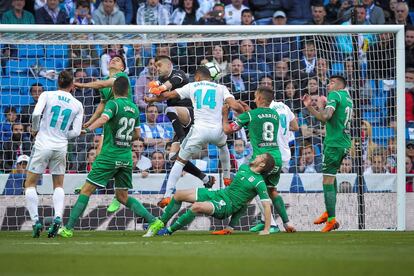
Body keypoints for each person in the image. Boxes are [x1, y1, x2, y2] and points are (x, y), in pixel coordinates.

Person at [59, 77, 157, 238]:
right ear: (127, 91)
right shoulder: (134, 107)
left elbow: (103, 119)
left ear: (112, 90)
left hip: (110, 155)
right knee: (122, 196)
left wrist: (88, 129)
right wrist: (124, 139)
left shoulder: (113, 104)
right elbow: (138, 134)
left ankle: (68, 228)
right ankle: (153, 220)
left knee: (86, 190)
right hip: (126, 156)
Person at [145, 66, 244, 211]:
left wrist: (153, 97)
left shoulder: (192, 86)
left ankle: (167, 195)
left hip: (199, 131)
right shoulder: (221, 88)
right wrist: (243, 114)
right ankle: (227, 177)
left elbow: (167, 96)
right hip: (217, 131)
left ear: (197, 77)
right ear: (210, 77)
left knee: (179, 161)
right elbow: (235, 105)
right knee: (223, 147)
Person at [220, 86, 296, 235]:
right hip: (276, 158)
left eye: (255, 96)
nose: (254, 99)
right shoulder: (274, 114)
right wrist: (248, 112)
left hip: (261, 160)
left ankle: (266, 225)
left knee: (249, 191)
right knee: (272, 190)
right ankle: (287, 223)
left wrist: (224, 115)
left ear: (260, 99)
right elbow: (259, 122)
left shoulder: (251, 115)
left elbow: (228, 130)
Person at [144, 153, 276, 237]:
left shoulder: (259, 183)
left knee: (196, 207)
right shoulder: (244, 168)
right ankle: (160, 223)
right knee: (178, 195)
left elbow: (263, 206)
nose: (256, 156)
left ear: (262, 164)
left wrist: (267, 229)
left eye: (260, 156)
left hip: (226, 206)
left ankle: (168, 231)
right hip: (219, 194)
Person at [146, 56, 216, 207]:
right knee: (173, 157)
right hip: (180, 119)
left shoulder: (179, 74)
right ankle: (205, 179)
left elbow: (162, 89)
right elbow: (157, 91)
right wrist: (152, 97)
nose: (156, 68)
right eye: (155, 66)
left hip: (190, 114)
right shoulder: (161, 78)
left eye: (159, 65)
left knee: (169, 109)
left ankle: (167, 195)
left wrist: (155, 92)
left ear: (169, 64)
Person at [24, 71, 84, 238]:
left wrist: (35, 130)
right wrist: (64, 134)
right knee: (58, 185)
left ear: (58, 82)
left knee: (30, 183)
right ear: (72, 85)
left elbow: (36, 114)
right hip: (61, 147)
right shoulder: (77, 104)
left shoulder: (47, 94)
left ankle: (36, 221)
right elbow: (76, 131)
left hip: (43, 144)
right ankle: (58, 217)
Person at [302, 75, 353, 232]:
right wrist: (321, 107)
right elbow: (330, 119)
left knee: (327, 181)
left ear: (339, 85)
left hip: (334, 144)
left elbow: (325, 117)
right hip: (344, 143)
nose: (328, 85)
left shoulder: (334, 94)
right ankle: (329, 211)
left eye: (331, 82)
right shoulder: (348, 98)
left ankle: (331, 219)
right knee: (332, 177)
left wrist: (310, 107)